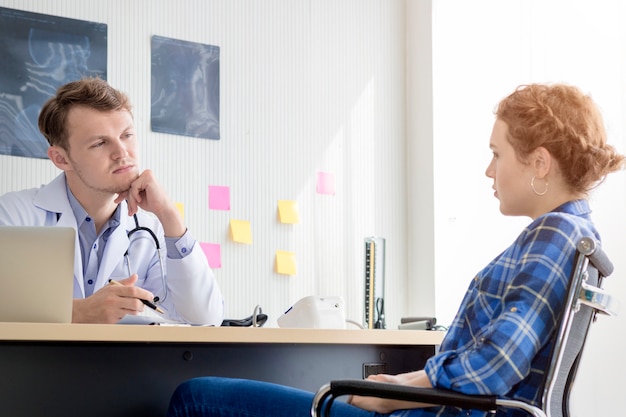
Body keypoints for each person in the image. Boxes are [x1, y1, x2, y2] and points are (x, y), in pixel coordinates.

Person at [165, 82, 624, 417]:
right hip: (434, 409)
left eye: (497, 154)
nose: (488, 170)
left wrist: (402, 388)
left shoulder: (555, 236)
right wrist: (405, 386)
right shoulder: (572, 235)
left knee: (198, 398)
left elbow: (495, 366)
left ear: (539, 163)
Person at [0, 77, 224, 326]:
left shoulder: (150, 231)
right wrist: (79, 312)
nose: (122, 153)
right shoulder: (12, 216)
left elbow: (205, 318)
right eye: (100, 143)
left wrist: (169, 215)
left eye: (127, 135)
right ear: (61, 159)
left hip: (117, 364)